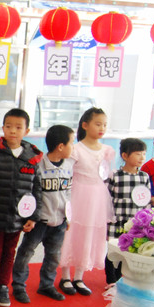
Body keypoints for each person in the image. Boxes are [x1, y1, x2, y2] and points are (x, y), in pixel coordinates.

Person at [0, 108, 42, 307]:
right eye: (8, 126)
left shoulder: (32, 158)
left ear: (27, 130)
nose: (13, 131)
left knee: (9, 253)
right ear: (3, 128)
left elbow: (37, 188)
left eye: (18, 127)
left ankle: (3, 287)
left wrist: (33, 216)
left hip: (18, 217)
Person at [11, 125, 74, 303]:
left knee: (53, 255)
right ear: (60, 146)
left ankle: (47, 285)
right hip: (39, 220)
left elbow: (68, 193)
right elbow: (30, 192)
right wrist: (29, 216)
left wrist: (69, 216)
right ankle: (18, 285)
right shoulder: (38, 165)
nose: (73, 147)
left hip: (60, 220)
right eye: (71, 143)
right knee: (26, 252)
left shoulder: (69, 166)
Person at [59, 107, 115, 296]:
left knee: (90, 232)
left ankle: (79, 276)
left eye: (105, 125)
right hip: (78, 194)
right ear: (85, 125)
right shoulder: (76, 149)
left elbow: (106, 174)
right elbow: (66, 174)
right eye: (98, 124)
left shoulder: (107, 151)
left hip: (97, 196)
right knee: (72, 231)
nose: (102, 128)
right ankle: (65, 276)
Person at [105, 138, 152, 288]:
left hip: (134, 223)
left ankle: (119, 279)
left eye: (143, 154)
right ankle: (111, 280)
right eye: (138, 154)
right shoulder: (115, 175)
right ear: (125, 156)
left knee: (127, 251)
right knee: (113, 250)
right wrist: (106, 217)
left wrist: (147, 219)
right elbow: (106, 197)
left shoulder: (144, 176)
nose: (141, 158)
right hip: (116, 220)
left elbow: (146, 199)